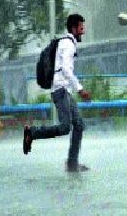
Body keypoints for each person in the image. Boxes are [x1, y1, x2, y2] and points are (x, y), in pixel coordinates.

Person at [23, 14, 91, 172]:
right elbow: (66, 70)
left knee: (79, 125)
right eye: (81, 28)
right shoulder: (68, 44)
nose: (83, 31)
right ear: (74, 29)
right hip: (60, 91)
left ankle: (72, 164)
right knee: (65, 127)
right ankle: (31, 133)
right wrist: (80, 89)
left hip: (64, 90)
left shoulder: (67, 43)